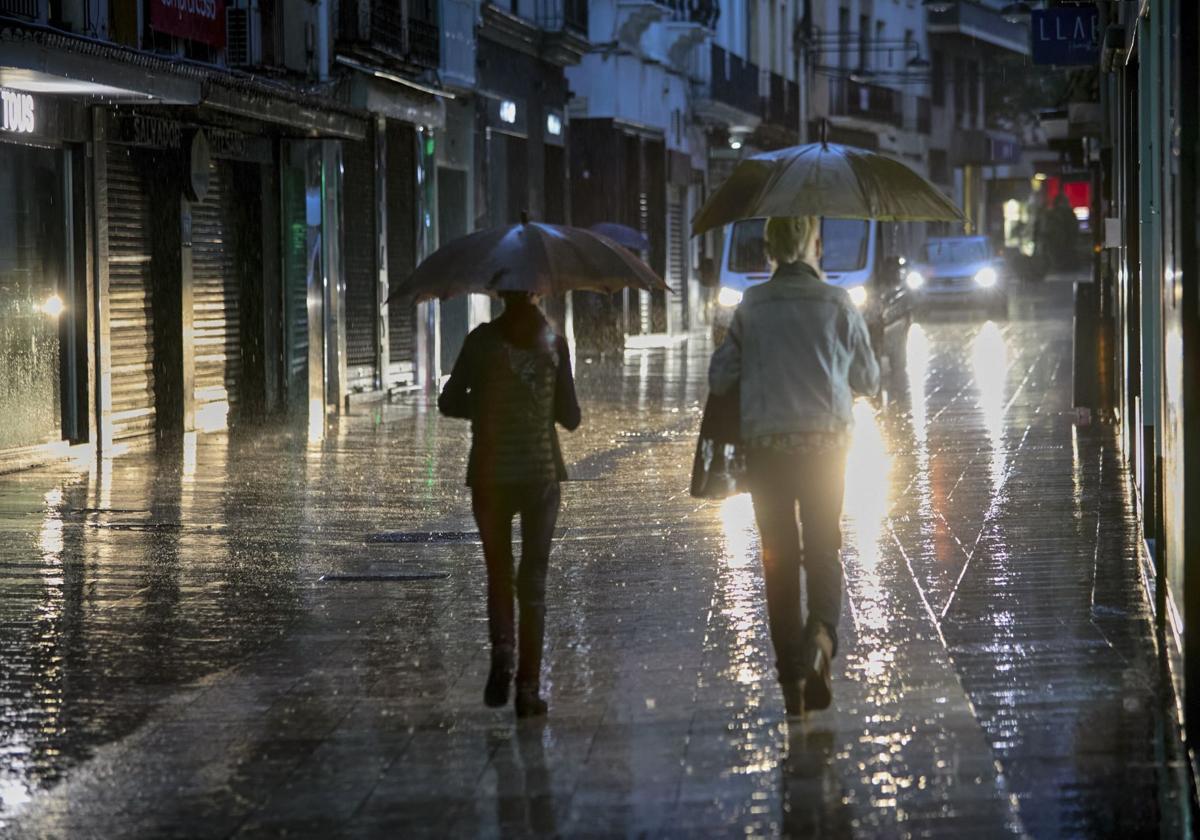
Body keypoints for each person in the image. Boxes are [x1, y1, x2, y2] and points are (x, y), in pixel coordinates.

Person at [708, 216, 879, 718]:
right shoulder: (837, 303)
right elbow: (868, 376)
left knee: (778, 558)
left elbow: (720, 378)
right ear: (814, 246)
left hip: (768, 449)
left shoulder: (752, 306)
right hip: (827, 446)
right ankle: (821, 643)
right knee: (823, 548)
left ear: (769, 249)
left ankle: (790, 684)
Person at [439, 291, 581, 718]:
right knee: (532, 582)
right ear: (538, 292)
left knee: (498, 572)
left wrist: (486, 404)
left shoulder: (480, 340)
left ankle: (503, 650)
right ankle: (528, 689)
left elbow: (448, 401)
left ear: (500, 292)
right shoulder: (553, 341)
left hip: (490, 473)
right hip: (539, 475)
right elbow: (571, 416)